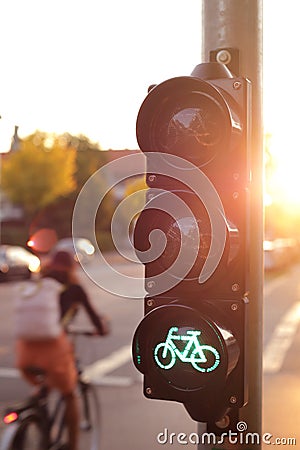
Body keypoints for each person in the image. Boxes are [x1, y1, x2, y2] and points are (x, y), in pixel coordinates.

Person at [15, 250, 110, 450]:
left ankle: (37, 414)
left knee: (43, 384)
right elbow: (95, 319)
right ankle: (72, 446)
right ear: (72, 267)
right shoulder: (74, 288)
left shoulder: (37, 285)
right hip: (53, 350)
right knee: (68, 394)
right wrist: (101, 329)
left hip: (25, 350)